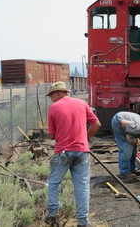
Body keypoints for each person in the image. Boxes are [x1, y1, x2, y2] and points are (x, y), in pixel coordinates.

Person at [46, 81, 101, 227]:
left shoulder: (53, 108)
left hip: (63, 152)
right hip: (82, 151)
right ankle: (83, 222)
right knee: (82, 186)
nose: (51, 98)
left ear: (57, 93)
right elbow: (96, 124)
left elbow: (51, 136)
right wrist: (85, 137)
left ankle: (52, 215)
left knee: (53, 183)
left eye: (51, 95)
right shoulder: (82, 104)